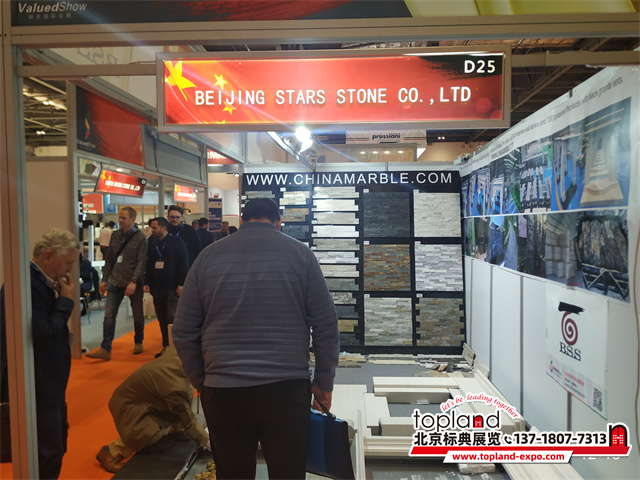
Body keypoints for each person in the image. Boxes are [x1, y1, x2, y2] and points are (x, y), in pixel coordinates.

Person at [172, 198, 339, 479]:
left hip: (224, 392)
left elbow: (183, 330)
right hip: (286, 390)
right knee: (287, 472)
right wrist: (323, 382)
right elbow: (325, 325)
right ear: (278, 223)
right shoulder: (301, 255)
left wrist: (202, 379)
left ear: (241, 220)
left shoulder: (207, 257)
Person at [0, 228, 80, 479]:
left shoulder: (36, 282)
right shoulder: (26, 285)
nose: (69, 270)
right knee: (49, 451)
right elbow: (44, 334)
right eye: (67, 263)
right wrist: (65, 300)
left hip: (46, 383)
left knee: (52, 447)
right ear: (48, 256)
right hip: (37, 385)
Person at [96, 345, 209, 473]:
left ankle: (175, 430)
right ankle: (111, 452)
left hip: (146, 397)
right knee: (148, 433)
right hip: (129, 404)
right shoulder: (175, 385)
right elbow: (186, 417)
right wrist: (207, 442)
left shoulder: (183, 356)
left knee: (182, 401)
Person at [86, 207, 147, 361]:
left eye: (124, 218)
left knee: (138, 316)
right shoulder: (115, 235)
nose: (120, 220)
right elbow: (110, 259)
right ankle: (106, 348)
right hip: (115, 281)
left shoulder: (141, 238)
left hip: (133, 283)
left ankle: (138, 341)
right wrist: (104, 279)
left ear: (132, 219)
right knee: (109, 315)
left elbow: (142, 262)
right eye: (120, 217)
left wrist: (134, 281)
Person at [144, 217, 188, 358]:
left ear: (163, 228)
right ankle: (165, 346)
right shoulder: (152, 243)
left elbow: (183, 264)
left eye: (154, 227)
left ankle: (177, 350)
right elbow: (148, 264)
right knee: (162, 319)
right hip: (157, 287)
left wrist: (182, 283)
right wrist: (146, 282)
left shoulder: (177, 242)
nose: (152, 230)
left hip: (172, 287)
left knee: (172, 319)